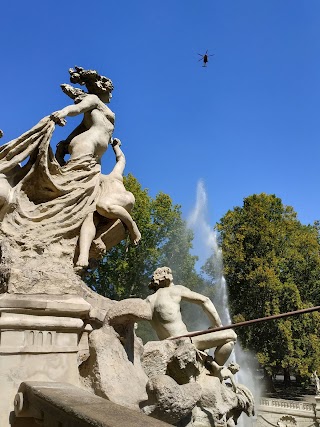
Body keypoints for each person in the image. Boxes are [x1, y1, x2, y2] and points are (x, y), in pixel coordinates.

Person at [146, 266, 237, 367]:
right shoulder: (175, 290)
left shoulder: (148, 300)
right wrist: (218, 326)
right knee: (231, 335)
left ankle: (207, 363)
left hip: (166, 342)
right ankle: (214, 369)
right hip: (182, 340)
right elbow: (204, 300)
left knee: (205, 337)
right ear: (167, 278)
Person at [76, 138, 141, 268]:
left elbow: (121, 160)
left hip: (123, 199)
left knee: (102, 205)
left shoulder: (114, 175)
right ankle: (83, 255)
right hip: (103, 210)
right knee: (89, 216)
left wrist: (116, 147)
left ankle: (132, 227)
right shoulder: (92, 180)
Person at [50, 66, 115, 165]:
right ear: (102, 89)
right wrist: (63, 112)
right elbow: (78, 108)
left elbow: (82, 127)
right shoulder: (94, 99)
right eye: (109, 92)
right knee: (74, 176)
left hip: (97, 151)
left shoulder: (101, 109)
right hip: (88, 142)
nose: (111, 96)